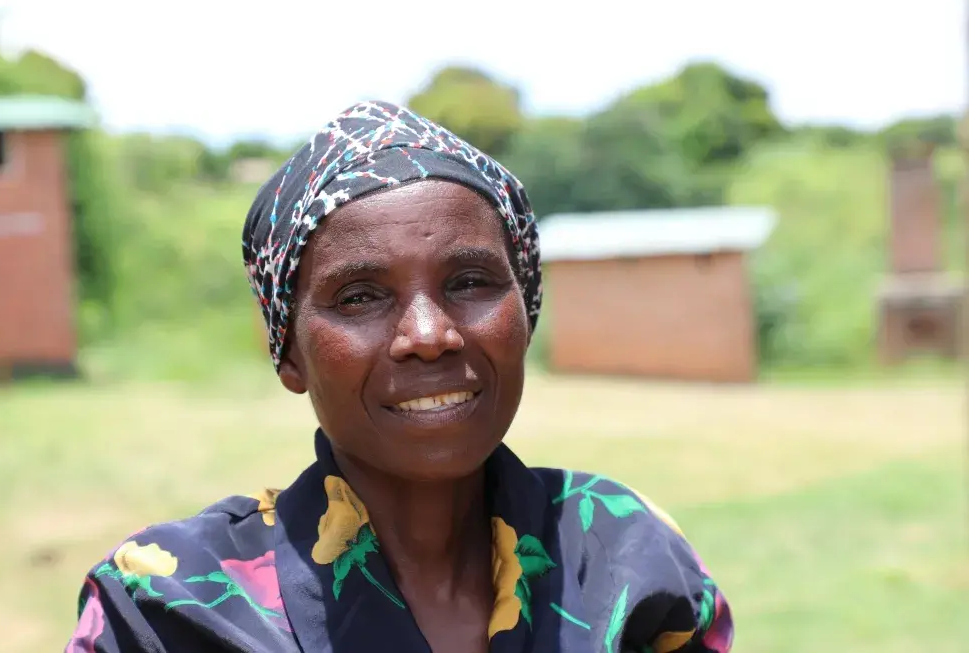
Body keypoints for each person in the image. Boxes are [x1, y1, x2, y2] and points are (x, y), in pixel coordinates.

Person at [65, 101, 734, 653]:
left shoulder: (624, 559)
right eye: (360, 295)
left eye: (470, 282)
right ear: (289, 353)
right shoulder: (171, 606)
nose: (429, 334)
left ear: (524, 316)